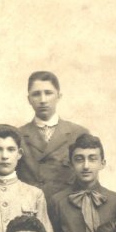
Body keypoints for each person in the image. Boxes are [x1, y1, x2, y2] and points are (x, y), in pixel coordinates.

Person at [16, 71, 87, 200]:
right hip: (29, 207)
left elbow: (89, 183)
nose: (43, 100)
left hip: (67, 207)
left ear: (59, 96)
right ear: (29, 99)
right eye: (36, 94)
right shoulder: (17, 135)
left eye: (48, 93)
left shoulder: (78, 133)